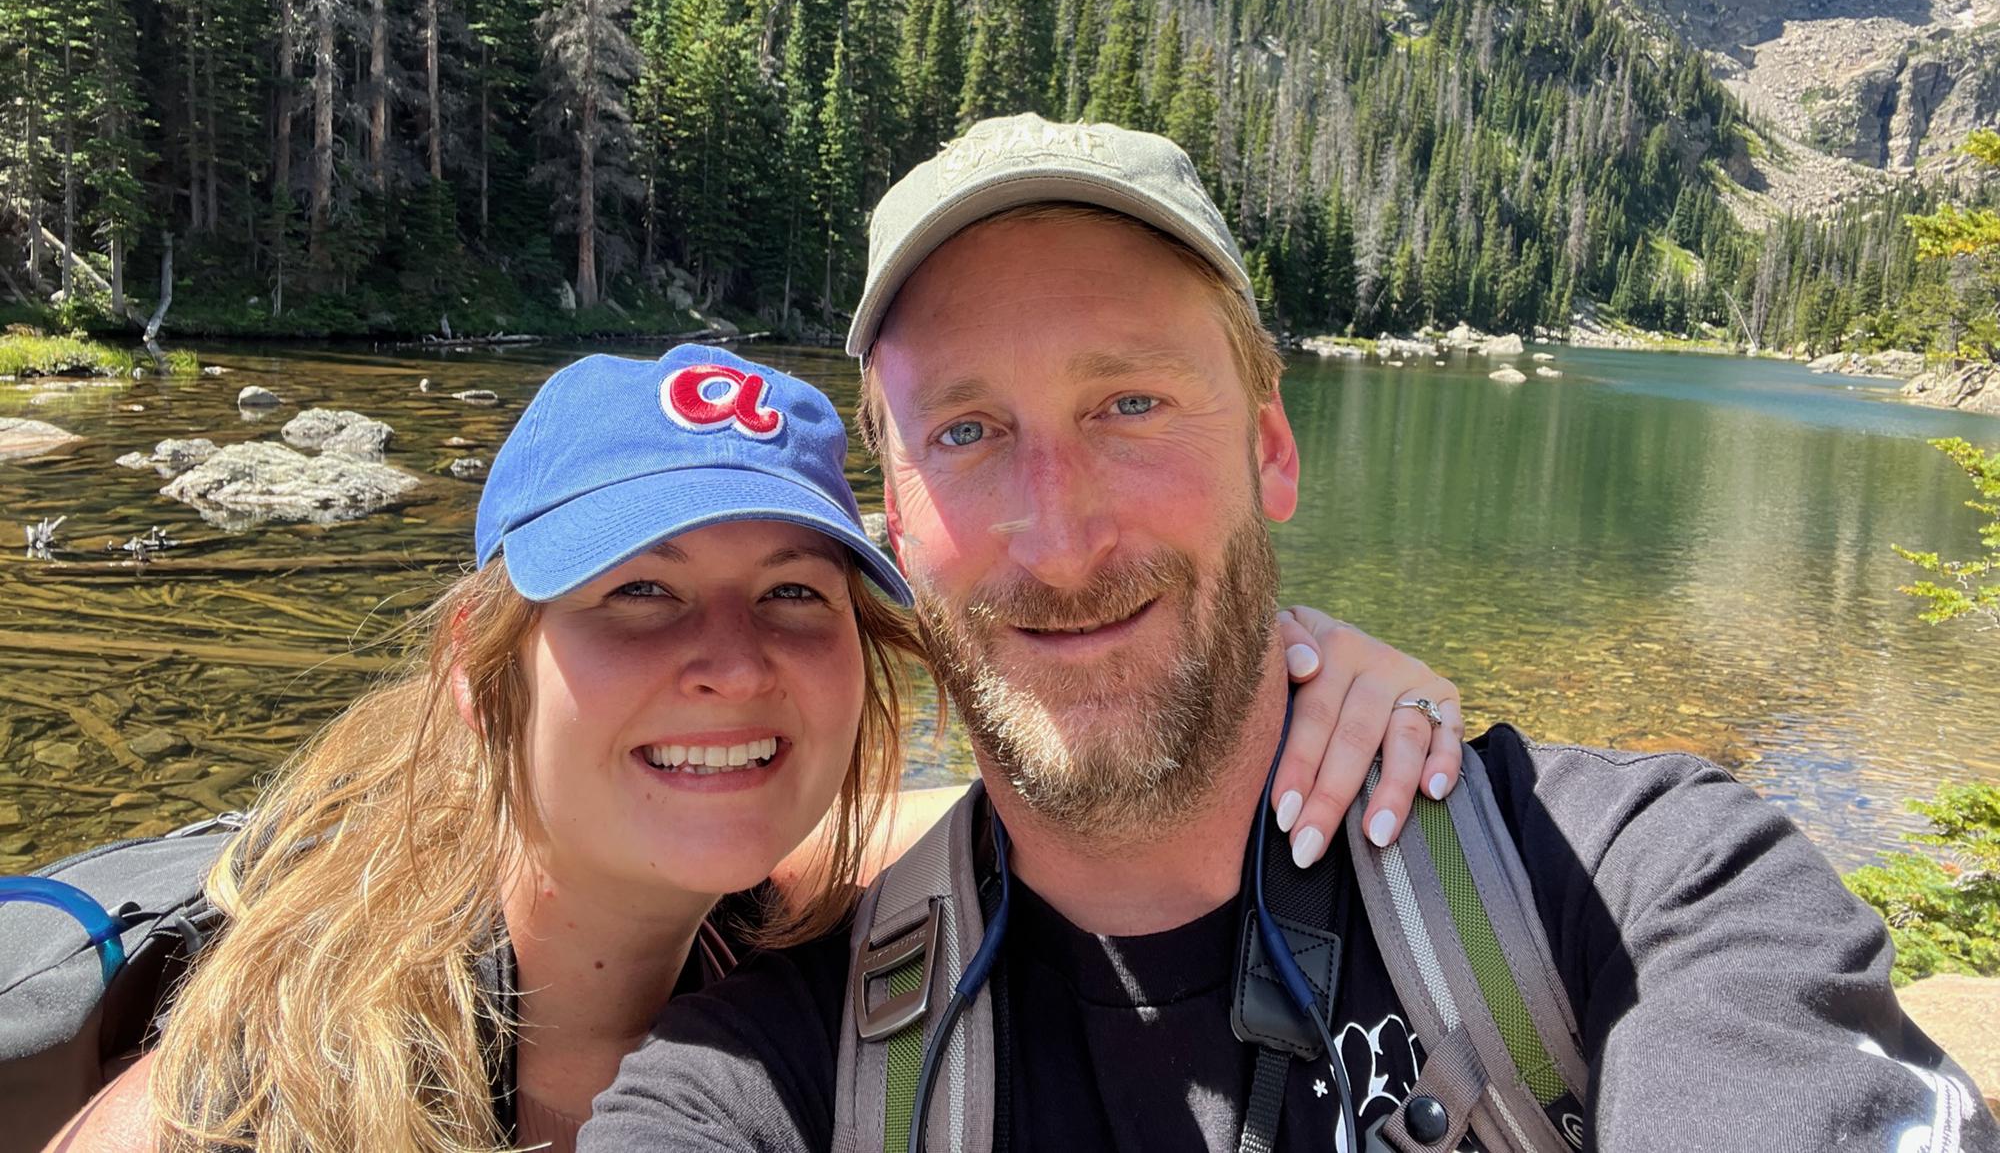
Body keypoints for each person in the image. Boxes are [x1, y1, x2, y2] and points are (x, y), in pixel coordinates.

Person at [580, 116, 2000, 1153]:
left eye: (1130, 405)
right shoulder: (769, 1070)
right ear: (894, 517)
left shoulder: (1643, 892)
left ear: (1271, 449)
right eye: (966, 430)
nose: (1061, 540)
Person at [49, 343, 1461, 1153]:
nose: (732, 662)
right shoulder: (247, 1100)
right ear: (480, 670)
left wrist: (1312, 677)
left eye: (794, 592)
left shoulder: (802, 898)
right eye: (638, 592)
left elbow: (1074, 802)